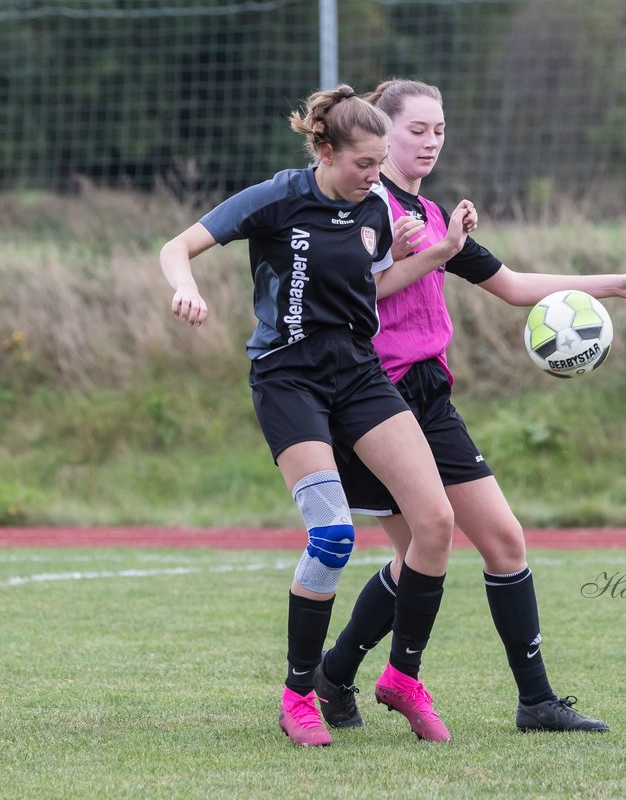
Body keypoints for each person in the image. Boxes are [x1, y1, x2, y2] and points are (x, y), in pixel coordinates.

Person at [313, 78, 626, 734]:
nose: (429, 142)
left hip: (429, 395)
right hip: (374, 400)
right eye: (416, 130)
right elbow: (339, 293)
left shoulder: (433, 216)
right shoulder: (367, 209)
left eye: (439, 131)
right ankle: (339, 680)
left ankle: (535, 702)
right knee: (424, 546)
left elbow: (511, 286)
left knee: (503, 539)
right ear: (381, 134)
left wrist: (614, 285)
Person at [159, 84, 480, 746]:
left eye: (380, 163)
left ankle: (402, 680)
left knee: (437, 522)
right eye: (364, 165)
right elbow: (176, 248)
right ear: (327, 152)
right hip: (288, 379)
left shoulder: (374, 212)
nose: (375, 177)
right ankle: (298, 695)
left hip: (358, 376)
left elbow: (369, 286)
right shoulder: (279, 196)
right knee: (332, 537)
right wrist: (185, 289)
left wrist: (435, 254)